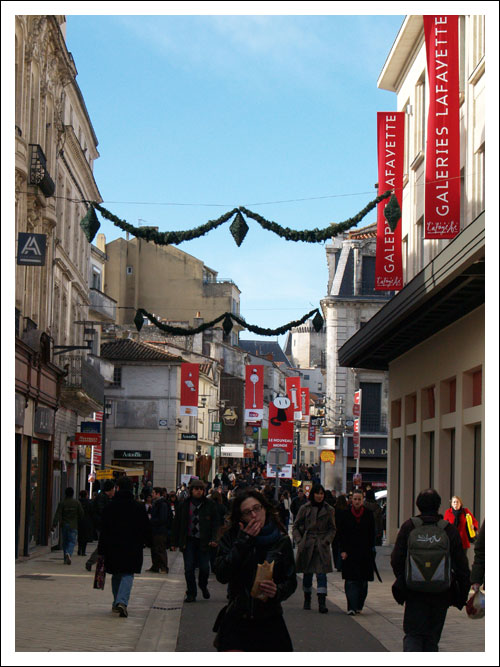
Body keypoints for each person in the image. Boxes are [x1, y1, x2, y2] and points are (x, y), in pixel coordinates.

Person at [213, 489, 297, 652]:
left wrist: (277, 591)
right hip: (238, 616)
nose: (253, 515)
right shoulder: (232, 537)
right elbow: (222, 574)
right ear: (240, 517)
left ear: (265, 509)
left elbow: (291, 581)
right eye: (247, 512)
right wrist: (244, 541)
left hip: (270, 619)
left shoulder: (281, 540)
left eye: (256, 509)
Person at [391, 488, 471, 651]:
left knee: (413, 634)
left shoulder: (409, 527)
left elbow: (396, 559)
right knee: (431, 639)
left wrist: (404, 579)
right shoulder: (448, 530)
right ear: (438, 506)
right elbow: (462, 566)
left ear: (418, 505)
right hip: (440, 593)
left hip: (414, 592)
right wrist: (461, 594)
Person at [98, 476, 152, 617]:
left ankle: (117, 601)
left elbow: (103, 529)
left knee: (116, 574)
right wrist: (146, 542)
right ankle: (122, 601)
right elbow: (146, 528)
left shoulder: (110, 507)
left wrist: (101, 549)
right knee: (128, 574)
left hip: (113, 547)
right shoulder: (138, 507)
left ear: (118, 488)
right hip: (132, 547)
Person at [171, 478, 219, 602]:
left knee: (204, 568)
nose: (198, 491)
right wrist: (174, 542)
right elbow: (177, 524)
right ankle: (191, 592)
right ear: (191, 490)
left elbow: (215, 523)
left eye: (201, 489)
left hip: (204, 541)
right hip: (189, 541)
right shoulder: (184, 504)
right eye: (196, 489)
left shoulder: (210, 505)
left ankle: (203, 585)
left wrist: (214, 538)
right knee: (189, 568)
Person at [293, 483, 336, 613]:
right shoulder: (305, 508)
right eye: (317, 493)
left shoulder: (329, 510)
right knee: (307, 574)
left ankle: (322, 602)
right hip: (307, 544)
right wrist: (300, 541)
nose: (319, 496)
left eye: (322, 493)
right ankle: (307, 598)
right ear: (313, 494)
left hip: (321, 545)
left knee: (321, 574)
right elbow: (295, 526)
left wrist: (326, 541)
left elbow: (332, 528)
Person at [337, 488, 376, 615]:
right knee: (350, 580)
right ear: (351, 500)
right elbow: (341, 534)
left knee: (363, 582)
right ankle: (351, 607)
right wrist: (342, 550)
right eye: (355, 499)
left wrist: (372, 549)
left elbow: (372, 533)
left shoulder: (369, 514)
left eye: (359, 499)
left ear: (363, 500)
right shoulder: (345, 514)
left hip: (365, 552)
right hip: (349, 552)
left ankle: (359, 604)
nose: (357, 501)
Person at [85, 480, 115, 571]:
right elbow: (102, 511)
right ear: (110, 490)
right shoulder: (102, 498)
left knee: (104, 545)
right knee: (103, 545)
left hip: (102, 525)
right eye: (113, 489)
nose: (114, 491)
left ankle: (96, 562)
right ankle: (92, 562)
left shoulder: (104, 498)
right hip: (101, 525)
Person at [52, 487, 84, 565]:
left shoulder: (62, 503)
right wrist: (79, 521)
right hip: (73, 525)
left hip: (64, 525)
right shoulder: (77, 503)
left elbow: (57, 514)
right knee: (72, 541)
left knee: (65, 542)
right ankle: (69, 553)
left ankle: (65, 556)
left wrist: (54, 524)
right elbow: (81, 513)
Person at [147, 487, 173, 573]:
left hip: (160, 530)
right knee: (154, 549)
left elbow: (163, 518)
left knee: (160, 549)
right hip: (154, 530)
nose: (152, 494)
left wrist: (152, 520)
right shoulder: (156, 503)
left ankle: (163, 567)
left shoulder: (162, 504)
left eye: (154, 493)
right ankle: (155, 566)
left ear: (158, 494)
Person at [332, 494, 348, 571]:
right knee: (343, 548)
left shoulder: (334, 509)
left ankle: (337, 564)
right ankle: (342, 563)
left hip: (336, 531)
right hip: (344, 531)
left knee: (335, 549)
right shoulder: (346, 509)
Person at [77, 489, 94, 556]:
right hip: (87, 521)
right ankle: (83, 551)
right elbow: (91, 512)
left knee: (80, 535)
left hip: (79, 520)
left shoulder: (78, 502)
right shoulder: (89, 502)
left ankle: (79, 549)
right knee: (85, 536)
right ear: (86, 495)